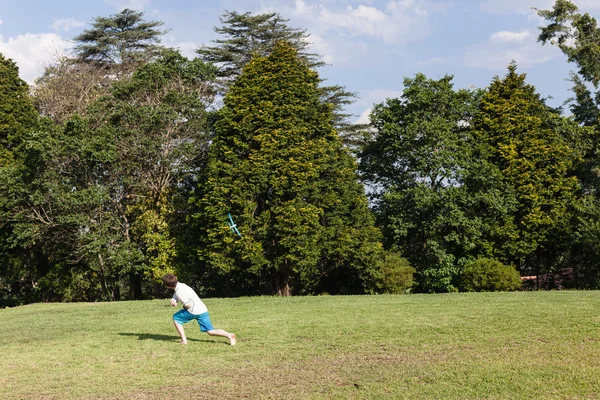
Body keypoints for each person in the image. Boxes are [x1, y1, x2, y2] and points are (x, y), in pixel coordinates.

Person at [161, 273, 236, 346]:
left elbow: (188, 305)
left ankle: (184, 340)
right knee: (210, 331)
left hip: (193, 311)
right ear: (176, 279)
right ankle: (229, 335)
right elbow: (177, 294)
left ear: (168, 286)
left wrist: (182, 306)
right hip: (202, 309)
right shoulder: (182, 285)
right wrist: (174, 299)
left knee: (176, 318)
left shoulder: (179, 292)